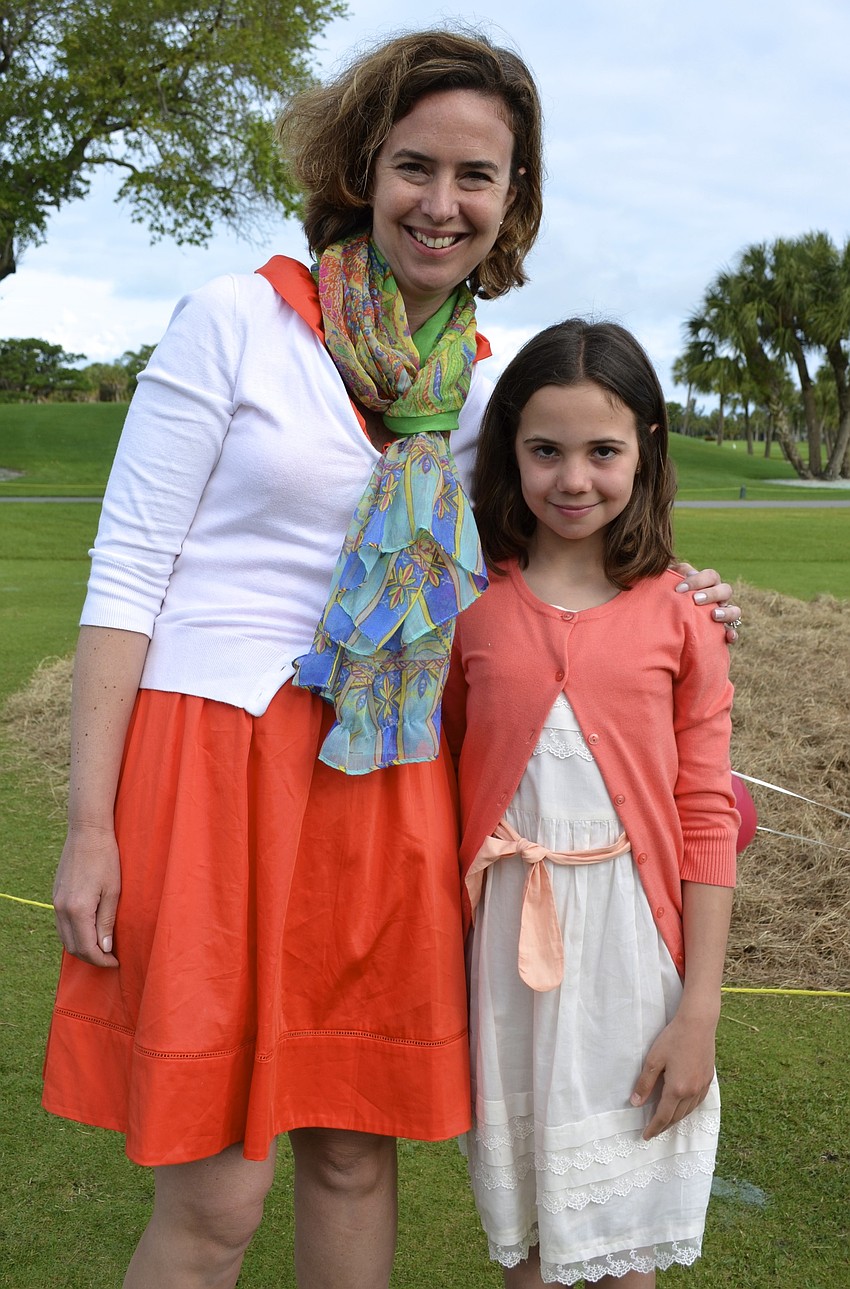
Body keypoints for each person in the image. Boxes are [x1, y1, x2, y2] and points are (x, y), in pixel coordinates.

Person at [42, 30, 740, 1289]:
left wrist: (677, 594)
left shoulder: (483, 390)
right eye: (415, 166)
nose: (441, 202)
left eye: (477, 177)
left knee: (355, 1157)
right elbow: (126, 572)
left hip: (390, 776)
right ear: (363, 167)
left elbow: (550, 566)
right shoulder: (238, 321)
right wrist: (91, 822)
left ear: (512, 201)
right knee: (218, 1192)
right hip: (215, 759)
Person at [442, 319, 740, 1287]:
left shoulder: (683, 616)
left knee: (618, 1246)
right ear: (509, 455)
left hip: (631, 960)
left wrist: (698, 1009)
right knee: (528, 1235)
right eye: (545, 450)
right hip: (506, 965)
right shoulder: (470, 608)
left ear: (646, 450)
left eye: (602, 450)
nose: (574, 478)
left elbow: (705, 815)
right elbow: (441, 772)